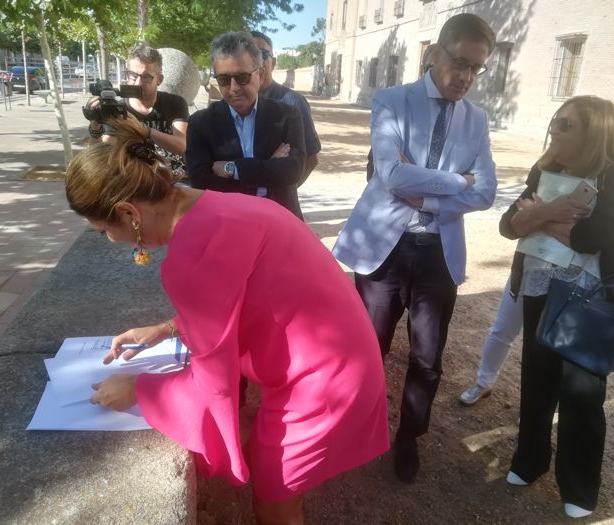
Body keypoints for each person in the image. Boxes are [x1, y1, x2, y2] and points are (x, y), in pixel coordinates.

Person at [65, 117, 389, 525]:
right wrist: (169, 328)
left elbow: (213, 384)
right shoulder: (215, 205)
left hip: (322, 383)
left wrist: (138, 390)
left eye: (102, 231)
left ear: (129, 212)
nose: (110, 241)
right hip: (341, 359)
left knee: (274, 501)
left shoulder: (188, 257)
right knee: (270, 466)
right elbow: (239, 295)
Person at [332, 13, 498, 483]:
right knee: (368, 348)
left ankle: (409, 438)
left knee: (428, 357)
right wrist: (456, 182)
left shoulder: (477, 119)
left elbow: (486, 193)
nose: (466, 77)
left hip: (438, 252)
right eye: (460, 62)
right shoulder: (392, 101)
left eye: (476, 68)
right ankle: (355, 426)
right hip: (384, 250)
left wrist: (425, 195)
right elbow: (390, 175)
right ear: (433, 54)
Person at [500, 95, 614, 519]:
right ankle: (529, 462)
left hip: (591, 296)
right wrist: (557, 217)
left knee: (582, 393)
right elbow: (509, 224)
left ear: (595, 131)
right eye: (555, 121)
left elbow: (597, 236)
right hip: (540, 285)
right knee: (537, 378)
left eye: (567, 124)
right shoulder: (545, 168)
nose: (555, 130)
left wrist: (539, 216)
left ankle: (579, 486)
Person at [186, 32, 307, 219]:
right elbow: (202, 183)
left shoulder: (287, 115)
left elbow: (292, 171)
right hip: (228, 223)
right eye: (224, 80)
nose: (233, 88)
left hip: (281, 223)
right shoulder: (200, 123)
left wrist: (233, 169)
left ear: (260, 74)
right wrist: (268, 169)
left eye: (242, 77)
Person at [87, 45, 188, 177]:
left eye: (146, 77)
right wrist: (95, 124)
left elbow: (181, 146)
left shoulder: (175, 103)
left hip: (176, 178)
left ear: (159, 80)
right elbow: (100, 154)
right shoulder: (116, 109)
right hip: (137, 182)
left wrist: (144, 130)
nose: (138, 83)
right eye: (133, 75)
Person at [251, 31, 321, 186]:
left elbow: (311, 159)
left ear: (274, 63)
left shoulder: (292, 102)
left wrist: (285, 192)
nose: (256, 60)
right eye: (248, 53)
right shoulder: (234, 103)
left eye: (262, 53)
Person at [366, 43, 440, 182]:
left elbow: (478, 185)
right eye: (432, 67)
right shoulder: (398, 105)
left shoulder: (466, 117)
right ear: (423, 69)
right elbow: (378, 168)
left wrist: (409, 172)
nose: (437, 73)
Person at [459, 276, 523, 405]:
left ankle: (533, 404)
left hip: (562, 276)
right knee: (501, 329)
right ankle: (484, 383)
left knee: (539, 344)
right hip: (527, 269)